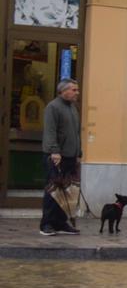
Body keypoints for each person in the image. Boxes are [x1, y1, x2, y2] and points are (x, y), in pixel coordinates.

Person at [40, 79, 82, 236]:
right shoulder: (53, 107)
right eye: (74, 90)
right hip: (56, 156)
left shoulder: (73, 108)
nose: (77, 92)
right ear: (63, 91)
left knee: (67, 192)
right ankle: (46, 224)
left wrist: (79, 153)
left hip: (71, 157)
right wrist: (54, 151)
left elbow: (76, 134)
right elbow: (50, 132)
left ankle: (60, 222)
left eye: (77, 90)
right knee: (54, 191)